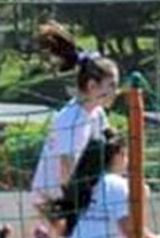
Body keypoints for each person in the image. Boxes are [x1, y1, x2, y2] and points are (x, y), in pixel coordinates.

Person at [32, 21, 120, 217]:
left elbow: (108, 150)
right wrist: (79, 207)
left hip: (75, 195)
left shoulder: (97, 114)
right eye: (112, 85)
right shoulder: (69, 119)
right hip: (52, 201)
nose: (116, 91)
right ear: (92, 86)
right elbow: (66, 170)